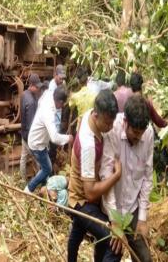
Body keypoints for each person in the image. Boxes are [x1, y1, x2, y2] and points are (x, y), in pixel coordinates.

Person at [67, 89, 122, 262]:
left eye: (113, 121)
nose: (111, 127)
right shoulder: (88, 145)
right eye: (107, 122)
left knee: (78, 231)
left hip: (80, 194)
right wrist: (116, 175)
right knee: (113, 242)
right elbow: (90, 192)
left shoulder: (88, 115)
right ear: (96, 115)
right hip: (82, 201)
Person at [100, 95, 154, 262]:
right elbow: (106, 175)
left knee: (144, 258)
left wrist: (142, 218)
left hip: (132, 209)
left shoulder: (148, 133)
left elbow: (147, 176)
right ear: (125, 122)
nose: (139, 138)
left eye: (141, 133)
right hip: (111, 208)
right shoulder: (113, 129)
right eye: (135, 133)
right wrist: (115, 220)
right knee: (109, 255)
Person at [25, 86, 73, 193]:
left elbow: (45, 92)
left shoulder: (48, 95)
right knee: (47, 169)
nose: (62, 106)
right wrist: (68, 138)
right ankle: (28, 189)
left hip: (38, 139)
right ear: (60, 102)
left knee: (44, 167)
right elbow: (54, 137)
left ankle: (44, 188)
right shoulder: (49, 113)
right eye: (63, 104)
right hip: (37, 144)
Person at [20, 74, 43, 181]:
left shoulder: (24, 94)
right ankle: (38, 181)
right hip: (29, 136)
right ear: (31, 85)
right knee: (38, 160)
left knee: (23, 157)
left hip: (23, 132)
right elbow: (31, 123)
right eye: (37, 87)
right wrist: (34, 139)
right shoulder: (31, 102)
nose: (38, 88)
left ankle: (22, 180)